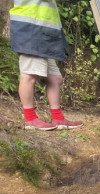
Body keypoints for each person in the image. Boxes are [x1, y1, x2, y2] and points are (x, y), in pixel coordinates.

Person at [9, 0, 82, 131]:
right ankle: (30, 119)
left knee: (55, 78)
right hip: (30, 31)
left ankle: (58, 118)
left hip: (41, 32)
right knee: (29, 76)